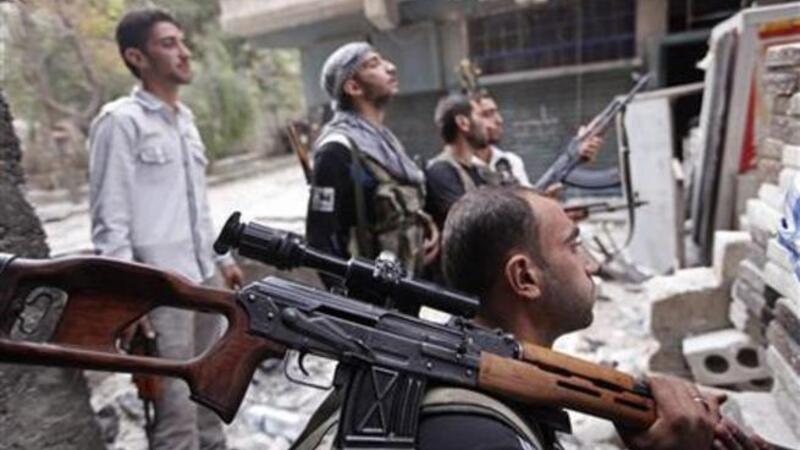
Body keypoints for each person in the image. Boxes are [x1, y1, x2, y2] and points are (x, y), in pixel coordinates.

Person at [435, 186, 772, 450]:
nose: (592, 264)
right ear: (525, 277)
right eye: (573, 246)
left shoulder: (486, 375)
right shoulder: (480, 435)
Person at [88, 8, 243, 450]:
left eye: (182, 41)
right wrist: (127, 297)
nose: (184, 52)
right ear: (136, 57)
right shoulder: (120, 122)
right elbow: (110, 221)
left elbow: (197, 206)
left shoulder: (185, 121)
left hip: (205, 282)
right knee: (175, 416)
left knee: (211, 401)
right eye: (168, 43)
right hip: (159, 291)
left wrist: (222, 259)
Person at [305, 42, 436, 294]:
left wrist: (427, 228)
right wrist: (347, 300)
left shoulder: (385, 143)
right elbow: (319, 238)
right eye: (373, 64)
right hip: (370, 299)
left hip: (407, 287)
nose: (391, 67)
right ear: (353, 87)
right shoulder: (336, 150)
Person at [472, 93, 604, 192]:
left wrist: (576, 157)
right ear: (464, 123)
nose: (499, 120)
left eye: (496, 112)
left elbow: (529, 203)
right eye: (486, 114)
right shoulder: (463, 170)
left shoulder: (510, 162)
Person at [425, 93, 499, 229]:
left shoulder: (478, 171)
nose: (486, 125)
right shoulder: (441, 172)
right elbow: (466, 223)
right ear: (463, 123)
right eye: (480, 116)